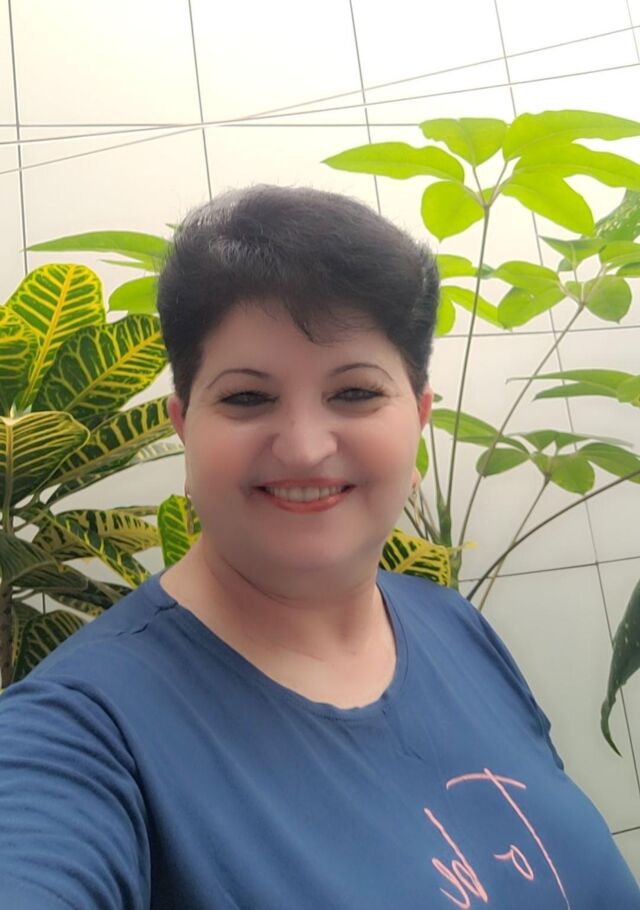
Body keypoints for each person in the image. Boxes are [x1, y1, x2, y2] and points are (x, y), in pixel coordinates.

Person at [0, 184, 638, 910]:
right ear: (183, 426)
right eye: (247, 398)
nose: (305, 448)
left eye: (355, 393)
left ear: (419, 416)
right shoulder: (84, 735)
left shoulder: (455, 625)